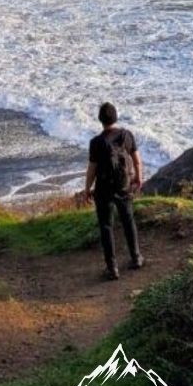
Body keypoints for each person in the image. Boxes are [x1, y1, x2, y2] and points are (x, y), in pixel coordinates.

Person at [84, 102, 144, 281]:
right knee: (128, 220)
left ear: (100, 120)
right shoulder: (126, 135)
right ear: (116, 117)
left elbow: (92, 169)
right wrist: (138, 178)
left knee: (106, 226)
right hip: (123, 185)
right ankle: (136, 257)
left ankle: (112, 268)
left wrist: (88, 189)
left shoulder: (96, 142)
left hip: (103, 188)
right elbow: (137, 160)